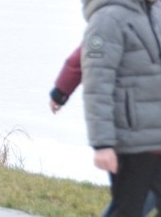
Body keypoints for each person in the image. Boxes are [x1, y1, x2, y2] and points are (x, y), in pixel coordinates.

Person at [81, 0, 161, 217]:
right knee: (127, 210)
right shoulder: (108, 19)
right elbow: (97, 86)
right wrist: (102, 144)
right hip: (130, 141)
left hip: (157, 134)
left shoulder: (155, 10)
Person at [50, 45, 157, 216]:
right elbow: (88, 54)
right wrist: (61, 92)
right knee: (133, 200)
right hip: (135, 128)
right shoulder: (113, 21)